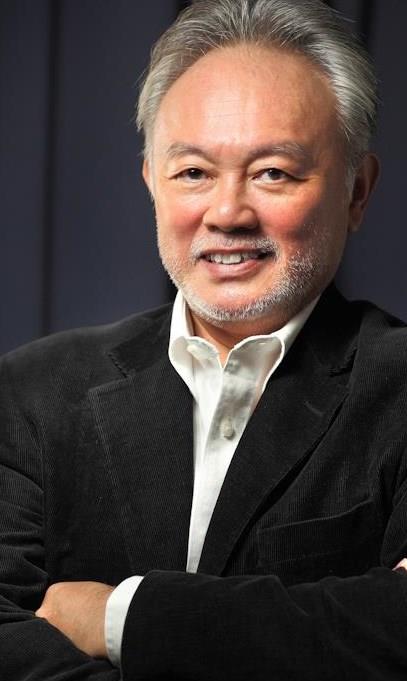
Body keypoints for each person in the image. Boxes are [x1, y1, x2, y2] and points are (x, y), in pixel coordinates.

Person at [2, 0, 407, 678]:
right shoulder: (33, 393)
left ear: (356, 192)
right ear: (151, 185)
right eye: (193, 172)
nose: (227, 213)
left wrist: (122, 616)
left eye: (273, 172)